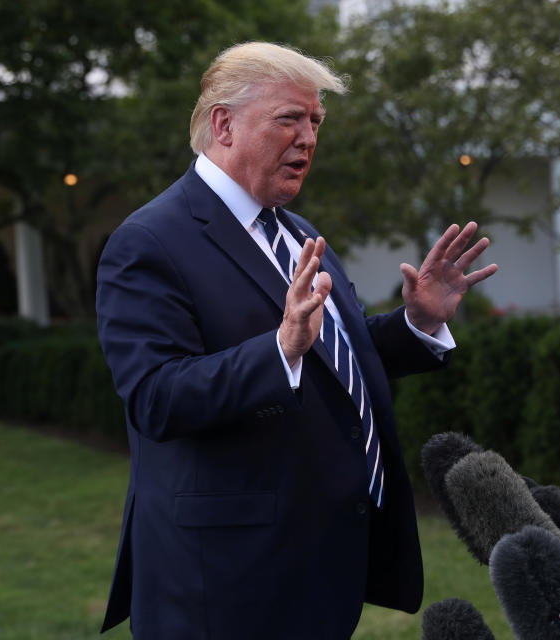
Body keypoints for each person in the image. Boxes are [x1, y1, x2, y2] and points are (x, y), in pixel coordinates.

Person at [95, 41, 497, 639]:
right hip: (224, 586)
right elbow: (156, 398)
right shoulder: (150, 241)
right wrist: (278, 348)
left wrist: (416, 321)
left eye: (315, 121)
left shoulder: (296, 230)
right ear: (223, 124)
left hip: (316, 565)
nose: (308, 138)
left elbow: (337, 354)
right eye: (289, 119)